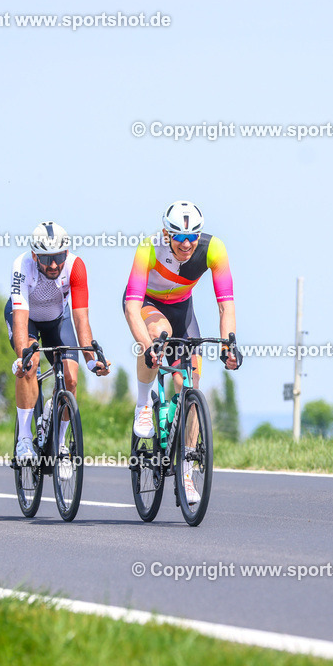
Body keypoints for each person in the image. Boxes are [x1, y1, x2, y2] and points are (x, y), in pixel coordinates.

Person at [123, 201, 239, 503]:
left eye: (192, 237)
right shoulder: (149, 248)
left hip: (183, 310)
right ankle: (143, 405)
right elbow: (131, 306)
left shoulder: (214, 249)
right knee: (160, 334)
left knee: (189, 384)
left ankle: (187, 470)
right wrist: (148, 348)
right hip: (148, 305)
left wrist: (230, 343)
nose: (187, 244)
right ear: (166, 234)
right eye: (179, 237)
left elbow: (226, 303)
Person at [8, 222, 110, 460]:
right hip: (28, 319)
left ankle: (61, 445)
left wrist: (91, 360)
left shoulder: (75, 266)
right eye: (46, 259)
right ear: (35, 255)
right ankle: (24, 439)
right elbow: (21, 319)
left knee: (71, 379)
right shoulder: (22, 265)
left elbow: (81, 318)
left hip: (57, 319)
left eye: (59, 257)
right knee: (30, 364)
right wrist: (22, 356)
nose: (54, 265)